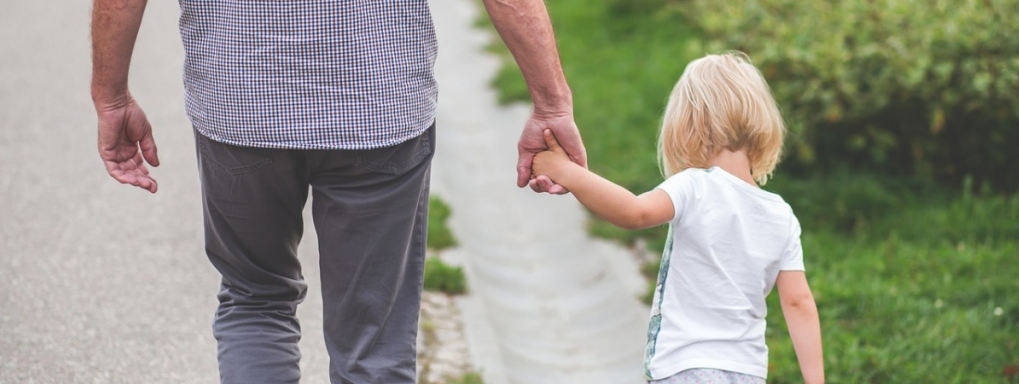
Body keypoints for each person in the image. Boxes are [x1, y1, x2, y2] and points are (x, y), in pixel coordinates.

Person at [89, 0, 587, 383]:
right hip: (378, 106)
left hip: (239, 105)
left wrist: (111, 96)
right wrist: (551, 104)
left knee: (255, 300)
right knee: (375, 341)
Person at [532, 52, 825, 384]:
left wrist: (563, 170)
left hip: (686, 368)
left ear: (689, 124)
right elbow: (798, 301)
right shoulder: (780, 214)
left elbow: (634, 212)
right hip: (747, 372)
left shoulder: (695, 186)